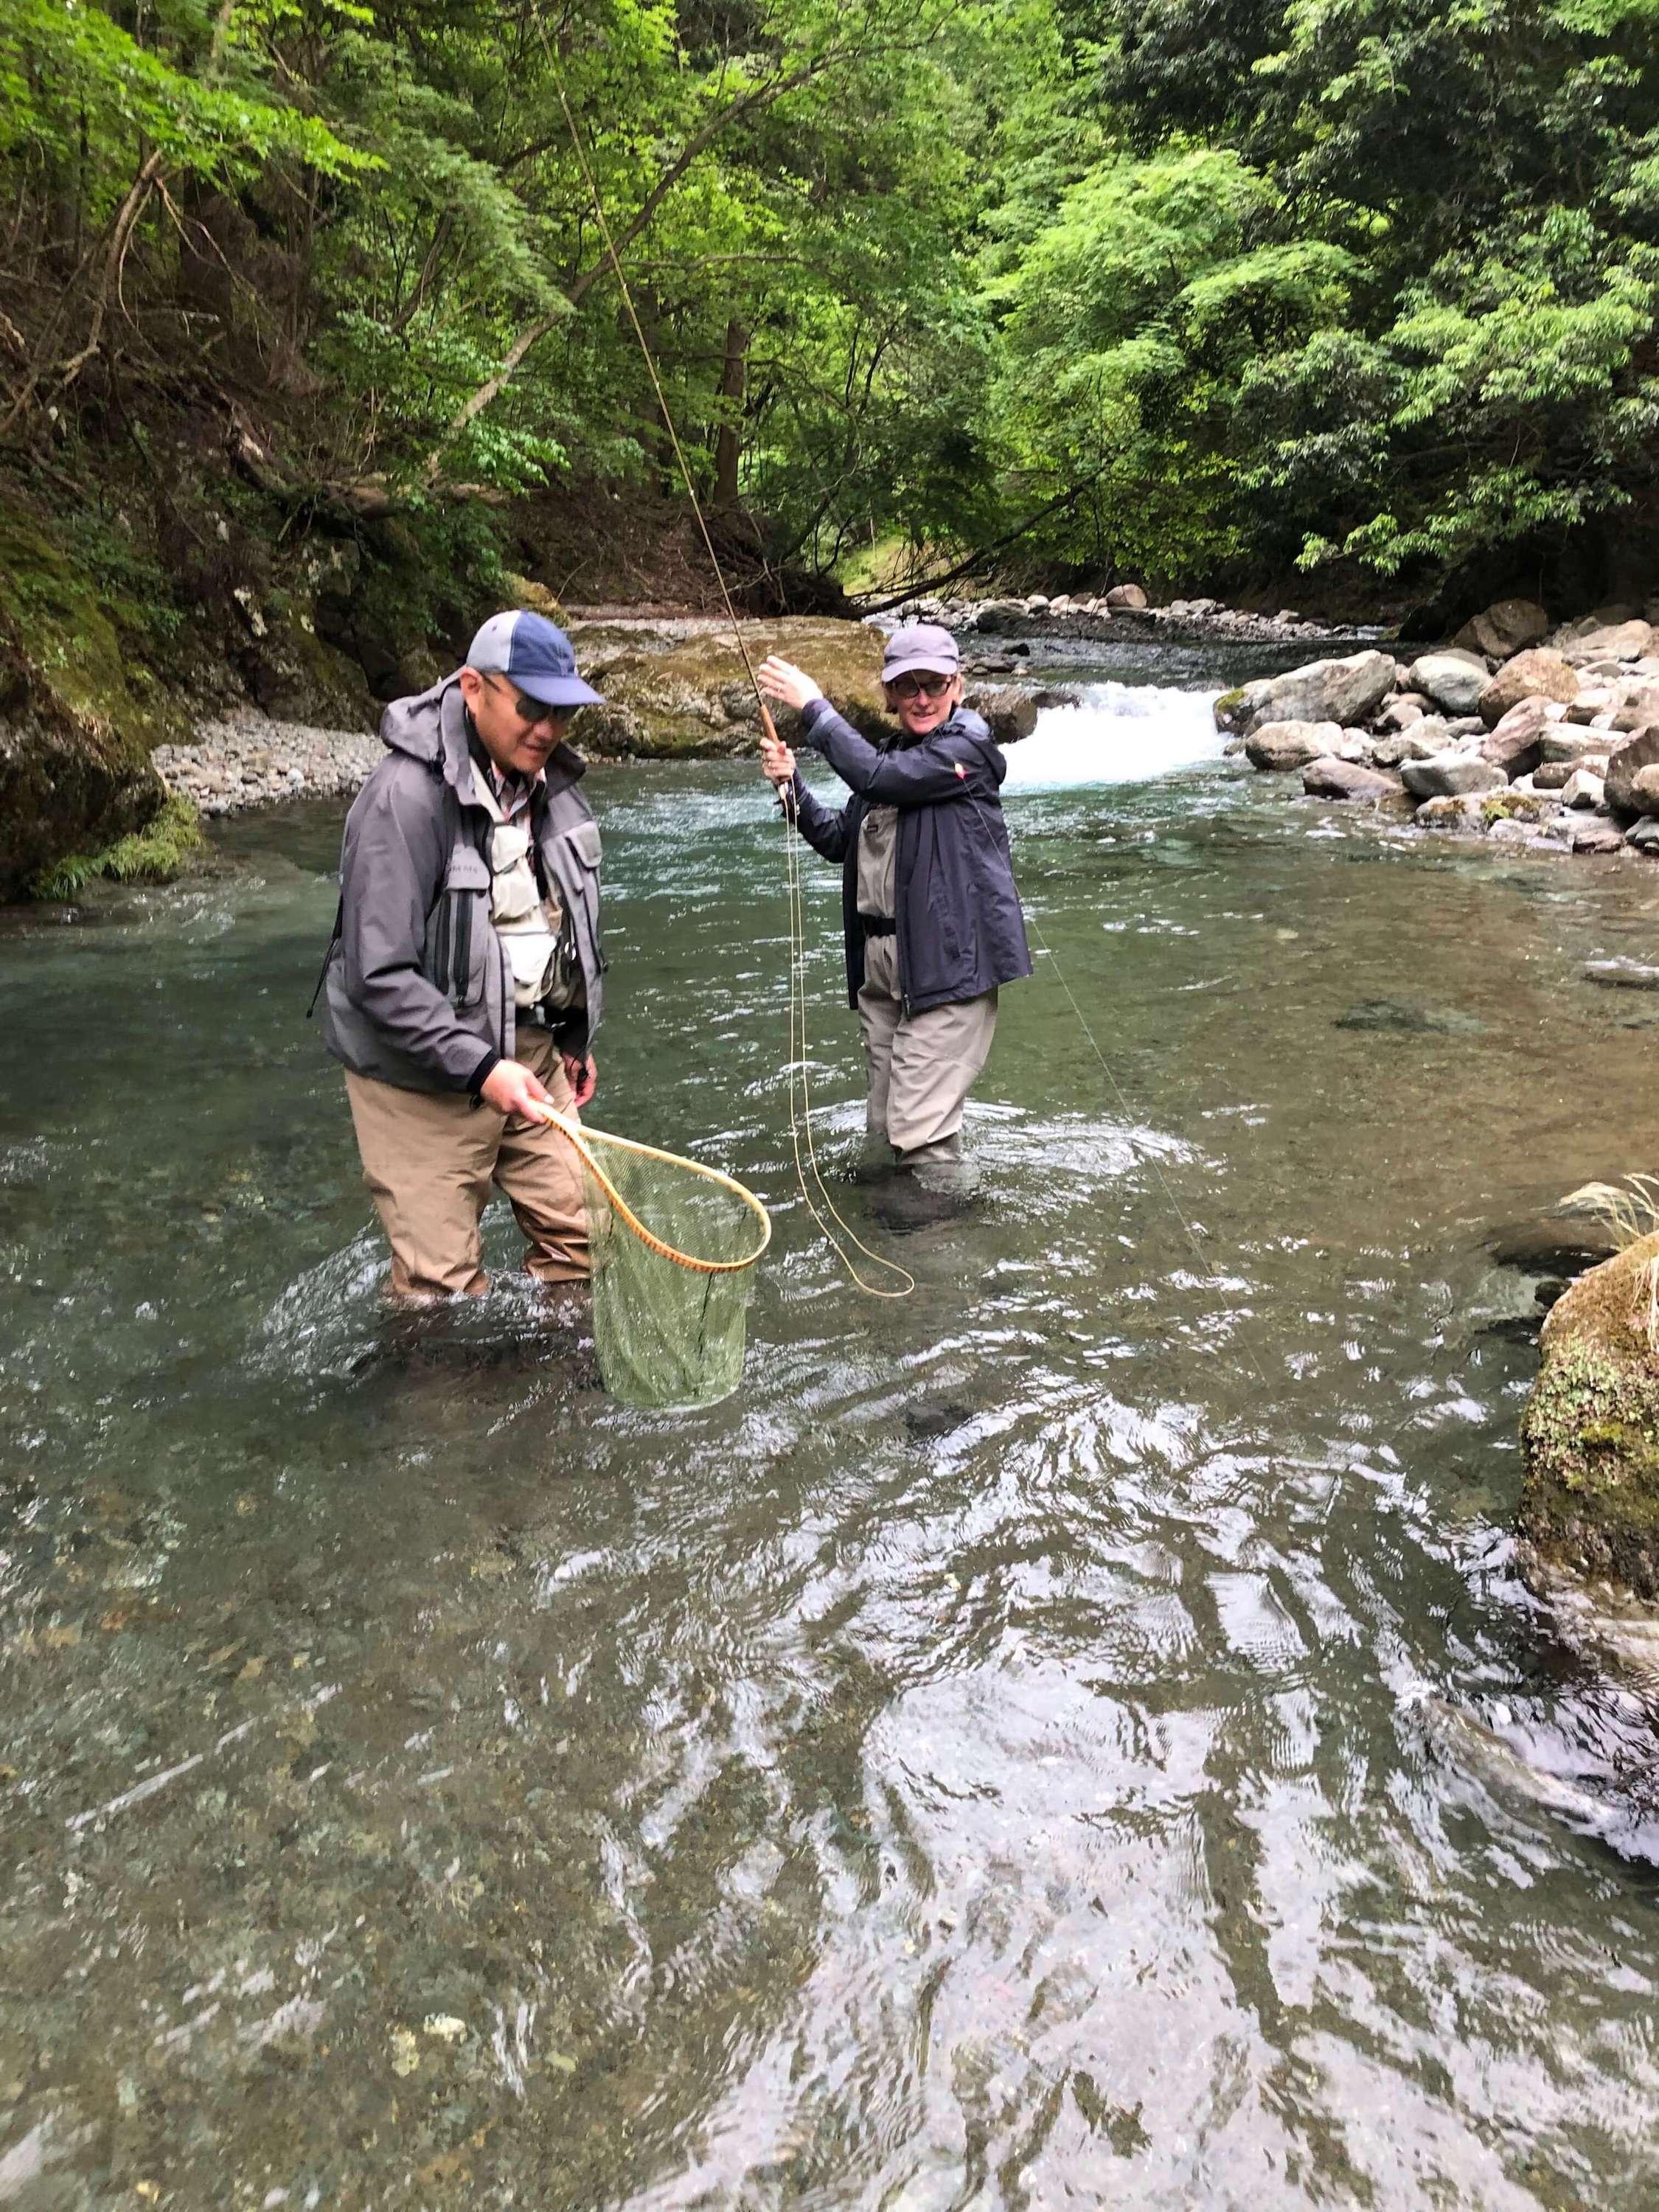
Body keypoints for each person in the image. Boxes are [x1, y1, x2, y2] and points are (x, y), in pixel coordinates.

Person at [316, 609, 607, 1301]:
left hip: (529, 1057)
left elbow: (549, 926)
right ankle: (441, 1406)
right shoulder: (403, 798)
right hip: (419, 1077)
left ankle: (551, 1395)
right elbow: (378, 977)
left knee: (586, 1242)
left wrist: (571, 1032)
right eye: (532, 707)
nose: (547, 728)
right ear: (473, 688)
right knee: (439, 1294)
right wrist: (481, 1067)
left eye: (563, 713)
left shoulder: (555, 789)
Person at [757, 622, 1031, 1187]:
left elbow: (877, 777)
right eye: (909, 687)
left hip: (949, 966)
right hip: (883, 970)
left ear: (957, 686)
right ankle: (910, 1233)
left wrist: (814, 707)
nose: (923, 699)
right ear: (890, 695)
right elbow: (839, 840)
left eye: (934, 684)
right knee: (886, 1127)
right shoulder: (896, 758)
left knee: (918, 1131)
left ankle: (942, 1253)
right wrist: (792, 789)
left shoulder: (965, 753)